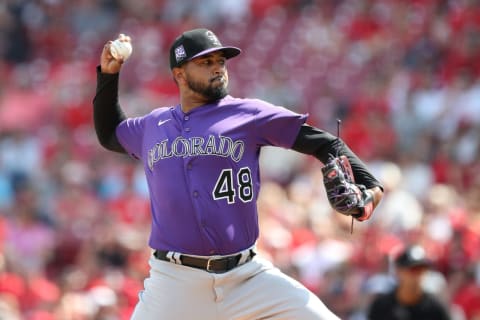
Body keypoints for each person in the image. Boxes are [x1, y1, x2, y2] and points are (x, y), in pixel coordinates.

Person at [93, 28, 384, 320]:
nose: (217, 68)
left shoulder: (248, 115)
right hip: (173, 282)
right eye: (205, 63)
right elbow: (109, 134)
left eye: (220, 61)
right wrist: (109, 75)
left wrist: (371, 187)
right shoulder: (153, 125)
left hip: (246, 278)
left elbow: (324, 143)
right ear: (179, 74)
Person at [367, 244, 452, 320]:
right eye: (414, 269)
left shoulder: (436, 309)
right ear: (398, 271)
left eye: (423, 269)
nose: (419, 275)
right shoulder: (382, 306)